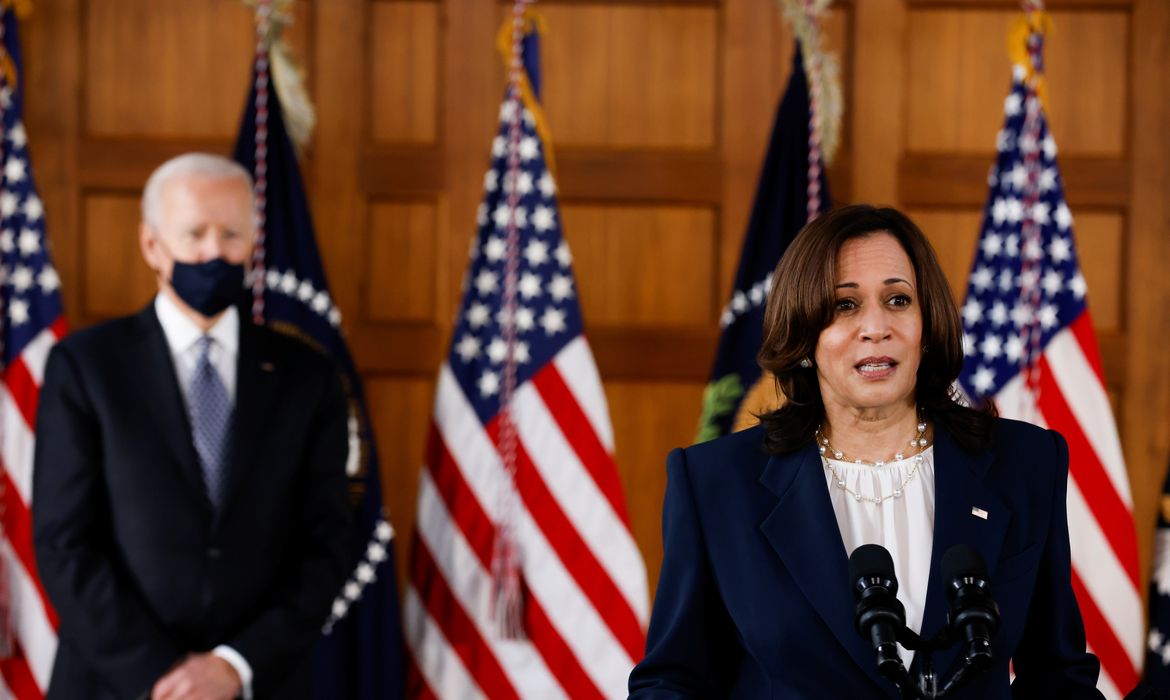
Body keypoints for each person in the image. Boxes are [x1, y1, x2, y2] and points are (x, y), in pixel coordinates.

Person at [628, 205, 1102, 698]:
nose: (876, 327)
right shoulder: (715, 483)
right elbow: (672, 681)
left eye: (898, 300)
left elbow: (1056, 675)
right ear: (805, 336)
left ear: (927, 323)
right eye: (845, 306)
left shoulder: (1025, 464)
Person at [33, 153, 351, 700]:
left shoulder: (308, 376)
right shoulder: (86, 367)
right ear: (152, 245)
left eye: (231, 234)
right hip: (116, 685)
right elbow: (65, 543)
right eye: (194, 233)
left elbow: (326, 545)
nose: (213, 252)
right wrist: (163, 675)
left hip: (259, 683)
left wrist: (233, 666)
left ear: (253, 241)